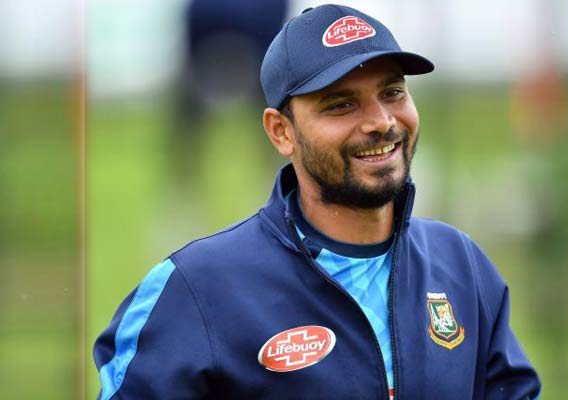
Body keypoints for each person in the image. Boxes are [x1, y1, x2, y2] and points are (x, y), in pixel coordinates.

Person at [94, 4, 541, 399]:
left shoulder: (462, 267)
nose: (381, 122)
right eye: (341, 105)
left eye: (392, 93)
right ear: (281, 132)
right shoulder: (195, 288)